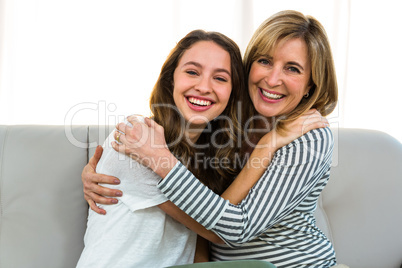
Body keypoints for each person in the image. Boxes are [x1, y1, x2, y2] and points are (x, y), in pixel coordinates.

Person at [82, 10, 339, 267]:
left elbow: (231, 229)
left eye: (292, 69)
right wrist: (102, 167)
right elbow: (202, 212)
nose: (272, 79)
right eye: (264, 61)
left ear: (311, 85)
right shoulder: (220, 128)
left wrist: (266, 147)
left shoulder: (308, 136)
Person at [76, 29, 249, 267]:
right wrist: (266, 152)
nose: (204, 86)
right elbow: (215, 230)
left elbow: (198, 245)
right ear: (171, 79)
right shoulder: (137, 136)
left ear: (232, 93)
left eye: (220, 78)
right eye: (192, 72)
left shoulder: (211, 157)